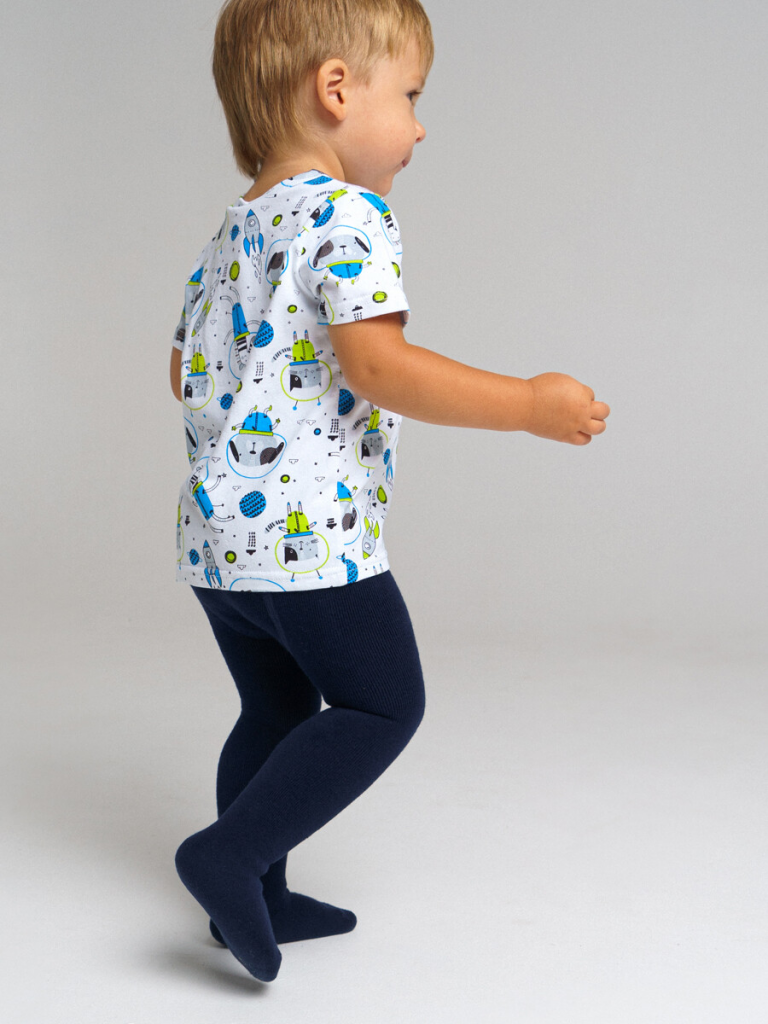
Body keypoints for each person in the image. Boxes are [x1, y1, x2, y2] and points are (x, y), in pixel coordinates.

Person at [170, 0, 610, 984]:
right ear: (337, 90)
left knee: (276, 708)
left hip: (215, 542)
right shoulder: (348, 214)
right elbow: (379, 366)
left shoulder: (230, 234)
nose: (418, 125)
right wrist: (526, 404)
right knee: (383, 704)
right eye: (410, 96)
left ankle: (258, 894)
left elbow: (181, 373)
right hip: (310, 540)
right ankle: (229, 856)